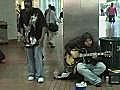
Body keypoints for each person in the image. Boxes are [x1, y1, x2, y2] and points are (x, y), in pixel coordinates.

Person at [18, 0, 47, 83]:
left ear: (31, 5)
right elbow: (20, 26)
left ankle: (39, 75)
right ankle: (31, 73)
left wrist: (42, 39)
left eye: (28, 6)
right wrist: (22, 36)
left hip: (37, 39)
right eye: (25, 6)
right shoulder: (22, 13)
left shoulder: (37, 12)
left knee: (38, 57)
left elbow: (44, 26)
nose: (26, 8)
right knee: (29, 58)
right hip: (27, 40)